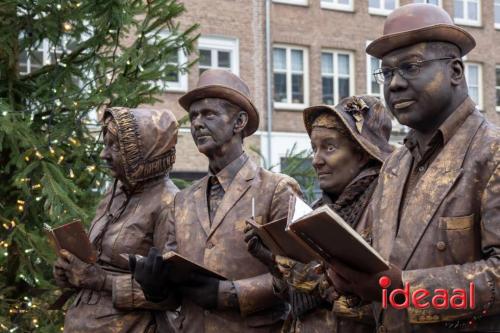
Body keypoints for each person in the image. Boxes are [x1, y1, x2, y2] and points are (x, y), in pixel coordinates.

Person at [326, 3, 500, 333]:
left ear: (456, 72)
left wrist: (403, 290)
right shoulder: (395, 164)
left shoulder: (492, 152)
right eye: (387, 72)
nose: (394, 84)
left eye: (410, 66)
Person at [130, 69, 302, 333]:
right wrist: (156, 289)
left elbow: (302, 276)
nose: (197, 123)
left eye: (209, 114)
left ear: (239, 122)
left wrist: (230, 293)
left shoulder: (277, 189)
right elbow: (178, 294)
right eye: (194, 116)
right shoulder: (182, 202)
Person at [246, 95, 393, 333]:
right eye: (314, 148)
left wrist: (303, 274)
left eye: (329, 147)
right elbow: (293, 299)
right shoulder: (315, 210)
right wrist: (273, 260)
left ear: (362, 153)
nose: (316, 160)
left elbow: (383, 302)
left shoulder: (386, 206)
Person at [53, 107, 179, 332]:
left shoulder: (169, 203)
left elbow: (171, 293)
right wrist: (70, 271)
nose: (104, 154)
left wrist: (101, 280)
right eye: (105, 144)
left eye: (115, 146)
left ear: (143, 152)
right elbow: (94, 263)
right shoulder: (115, 191)